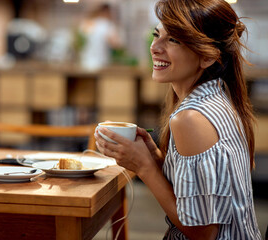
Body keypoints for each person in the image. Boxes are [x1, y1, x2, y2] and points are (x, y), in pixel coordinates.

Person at [95, 0, 262, 239]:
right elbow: (201, 191)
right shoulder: (217, 95)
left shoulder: (191, 118)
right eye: (157, 35)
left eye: (173, 39)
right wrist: (155, 158)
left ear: (207, 57)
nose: (155, 47)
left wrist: (144, 167)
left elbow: (202, 232)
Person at [78, 3, 122, 70]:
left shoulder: (87, 23)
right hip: (101, 63)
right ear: (107, 12)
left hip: (85, 62)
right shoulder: (107, 25)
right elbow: (116, 45)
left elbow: (78, 42)